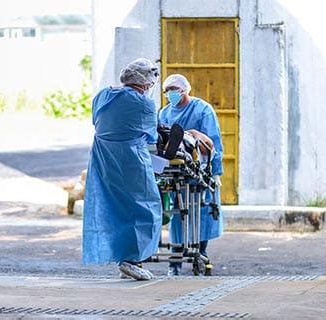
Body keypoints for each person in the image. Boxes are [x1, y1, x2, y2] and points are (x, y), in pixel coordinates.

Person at [82, 58, 162, 280]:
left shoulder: (102, 96)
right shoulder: (144, 104)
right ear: (145, 82)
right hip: (131, 160)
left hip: (103, 158)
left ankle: (124, 256)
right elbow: (151, 135)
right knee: (145, 208)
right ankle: (132, 259)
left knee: (115, 207)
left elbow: (98, 122)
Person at [158, 74, 224, 276]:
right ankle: (175, 262)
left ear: (185, 90)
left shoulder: (203, 110)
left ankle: (200, 252)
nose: (171, 94)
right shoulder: (164, 113)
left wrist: (215, 171)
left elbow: (214, 144)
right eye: (168, 90)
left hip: (199, 164)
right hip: (173, 166)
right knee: (178, 215)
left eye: (174, 89)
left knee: (202, 212)